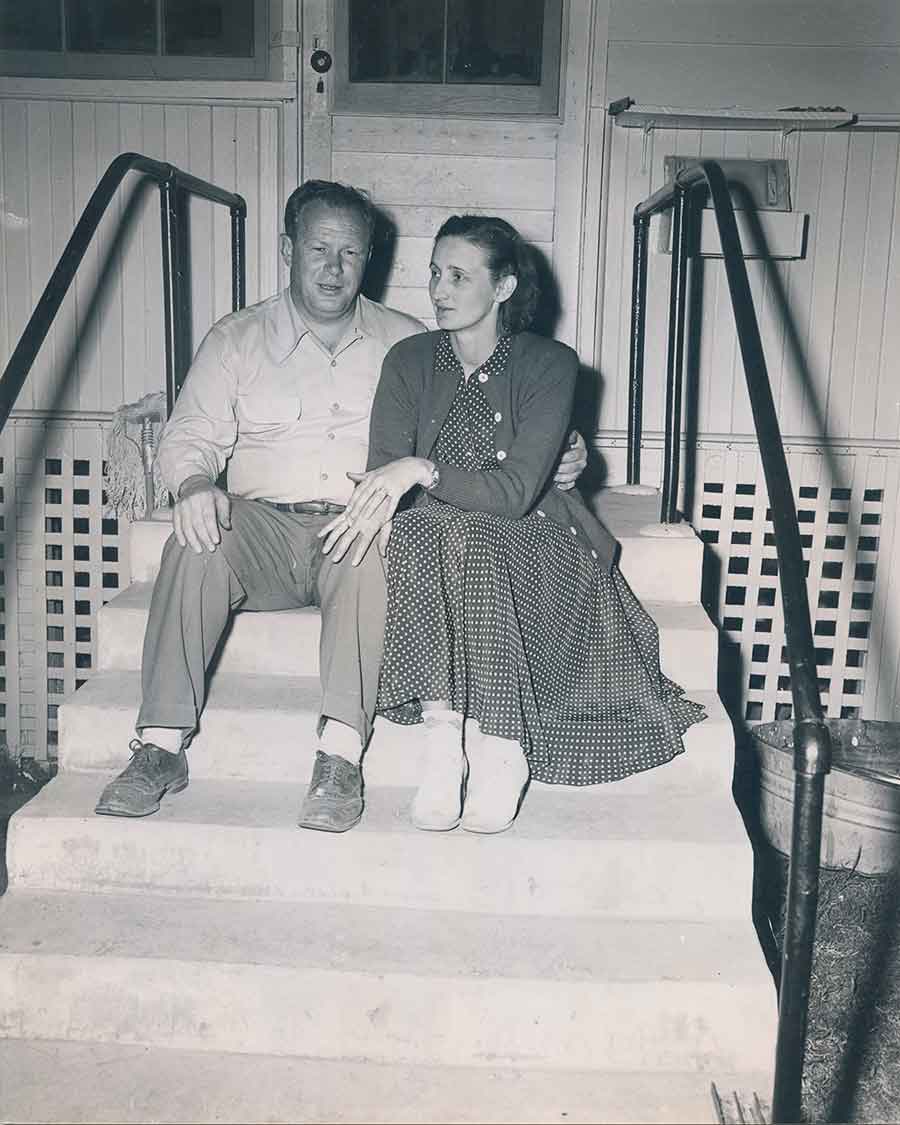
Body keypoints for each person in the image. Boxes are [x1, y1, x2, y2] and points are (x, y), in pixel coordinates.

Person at [93, 182, 587, 832]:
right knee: (192, 539)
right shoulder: (236, 339)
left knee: (367, 543)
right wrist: (191, 486)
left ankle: (340, 754)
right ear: (288, 249)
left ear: (370, 259)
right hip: (262, 524)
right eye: (319, 248)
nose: (333, 267)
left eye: (350, 252)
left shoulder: (409, 340)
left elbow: (486, 408)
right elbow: (189, 437)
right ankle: (160, 744)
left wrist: (565, 450)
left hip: (354, 522)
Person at [320, 214, 706, 834]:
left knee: (464, 530)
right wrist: (403, 482)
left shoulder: (549, 362)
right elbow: (381, 476)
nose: (439, 290)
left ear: (502, 287)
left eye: (459, 276)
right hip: (434, 543)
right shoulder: (409, 359)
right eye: (435, 273)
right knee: (426, 529)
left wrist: (423, 469)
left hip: (539, 537)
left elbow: (517, 491)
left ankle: (502, 747)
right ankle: (446, 741)